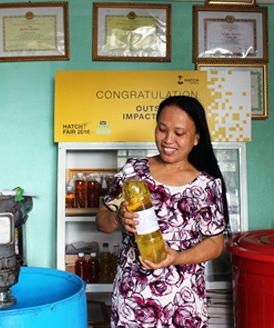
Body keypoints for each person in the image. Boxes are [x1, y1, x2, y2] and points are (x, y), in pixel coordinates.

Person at [96, 95, 228, 328]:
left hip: (183, 304)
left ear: (196, 138)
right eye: (162, 129)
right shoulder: (133, 171)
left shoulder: (206, 185)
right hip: (132, 299)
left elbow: (216, 244)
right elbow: (101, 222)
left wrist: (177, 258)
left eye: (179, 133)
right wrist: (117, 218)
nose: (168, 140)